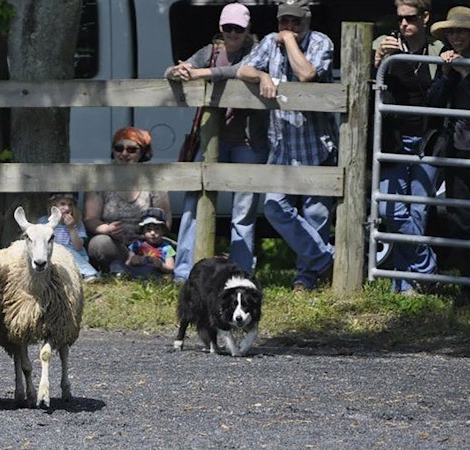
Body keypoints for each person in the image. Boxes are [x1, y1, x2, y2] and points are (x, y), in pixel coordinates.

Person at [236, 0, 337, 292]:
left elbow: (306, 74)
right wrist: (263, 75)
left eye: (295, 21)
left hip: (316, 145)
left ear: (307, 21)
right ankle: (325, 260)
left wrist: (290, 41)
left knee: (316, 215)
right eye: (284, 22)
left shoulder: (321, 42)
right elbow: (243, 70)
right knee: (273, 207)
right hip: (282, 145)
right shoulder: (270, 41)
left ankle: (306, 279)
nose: (289, 27)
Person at [165, 2, 269, 281]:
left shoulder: (259, 51)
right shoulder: (209, 52)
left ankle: (240, 273)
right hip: (212, 138)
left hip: (249, 141)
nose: (233, 33)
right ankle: (184, 272)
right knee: (195, 202)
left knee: (243, 211)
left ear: (248, 29)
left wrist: (201, 74)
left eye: (239, 29)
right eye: (228, 27)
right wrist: (177, 72)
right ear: (221, 27)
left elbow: (239, 71)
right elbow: (176, 69)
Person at [372, 0, 443, 296]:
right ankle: (428, 270)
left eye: (410, 18)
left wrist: (450, 64)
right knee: (391, 209)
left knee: (419, 211)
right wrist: (377, 60)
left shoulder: (438, 49)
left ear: (425, 17)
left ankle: (403, 284)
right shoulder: (384, 44)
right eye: (400, 18)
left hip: (429, 139)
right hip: (394, 139)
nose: (403, 24)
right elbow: (366, 83)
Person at [84, 126, 172, 275]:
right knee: (100, 243)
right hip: (115, 244)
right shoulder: (100, 178)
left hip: (147, 245)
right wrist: (106, 229)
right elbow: (90, 219)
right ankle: (118, 269)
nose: (124, 153)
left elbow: (166, 219)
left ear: (142, 153)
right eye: (119, 148)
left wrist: (149, 238)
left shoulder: (153, 180)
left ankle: (136, 269)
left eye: (132, 150)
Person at [427, 6, 470, 305]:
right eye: (451, 32)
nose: (456, 37)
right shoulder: (447, 61)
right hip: (458, 148)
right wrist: (444, 74)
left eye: (461, 31)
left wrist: (465, 72)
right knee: (459, 217)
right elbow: (433, 103)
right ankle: (467, 286)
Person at [40, 193, 98, 281]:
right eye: (62, 204)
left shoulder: (77, 223)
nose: (67, 208)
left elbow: (78, 246)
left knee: (65, 249)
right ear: (53, 205)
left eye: (70, 205)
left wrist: (71, 227)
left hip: (76, 257)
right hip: (54, 255)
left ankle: (88, 273)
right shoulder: (44, 221)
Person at [124, 207, 176, 279]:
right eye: (148, 229)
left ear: (163, 231)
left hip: (156, 275)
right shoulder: (137, 245)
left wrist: (161, 265)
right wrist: (132, 261)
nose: (153, 233)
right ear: (143, 231)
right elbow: (127, 264)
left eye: (157, 229)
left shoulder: (167, 248)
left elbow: (171, 268)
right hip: (137, 274)